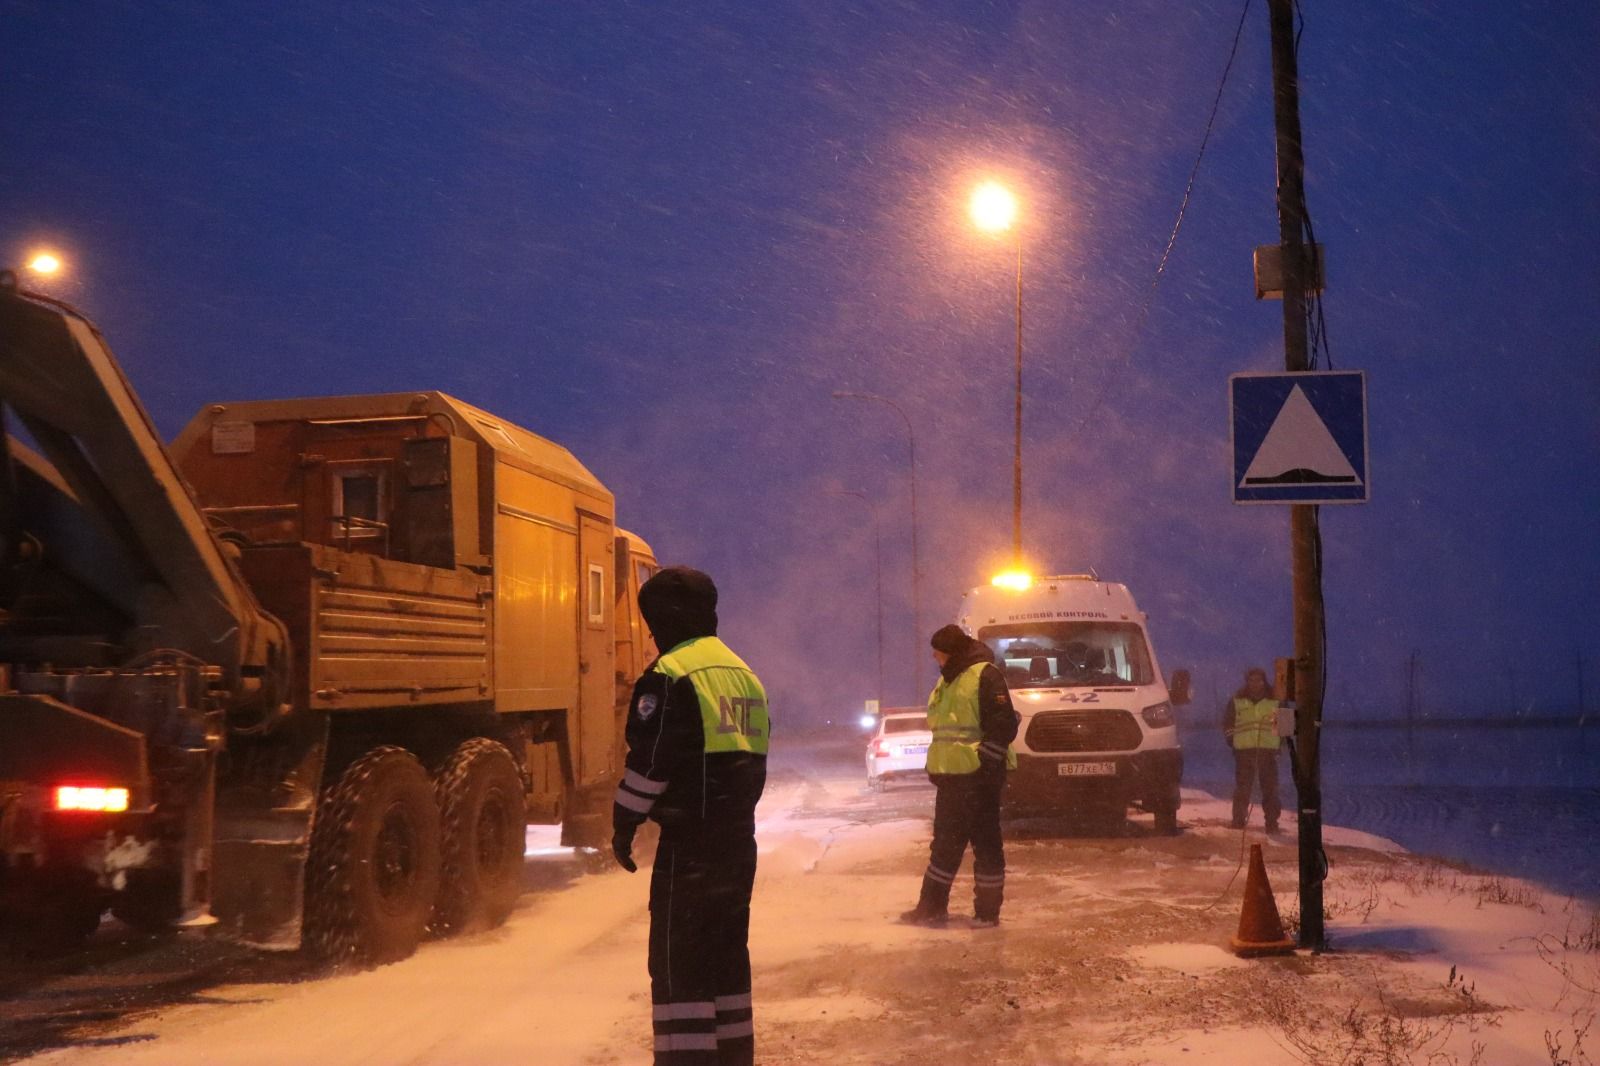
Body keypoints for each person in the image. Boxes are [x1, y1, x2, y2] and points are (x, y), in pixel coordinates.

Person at [611, 567, 770, 1066]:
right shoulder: (743, 674)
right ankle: (732, 1055)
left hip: (691, 848)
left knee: (680, 964)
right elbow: (754, 764)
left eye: (653, 621)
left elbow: (652, 759)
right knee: (726, 958)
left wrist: (625, 820)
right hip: (737, 845)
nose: (653, 633)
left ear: (666, 617)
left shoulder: (671, 674)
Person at [900, 624, 1020, 929]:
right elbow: (945, 732)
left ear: (952, 652)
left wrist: (986, 766)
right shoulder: (949, 680)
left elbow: (1003, 725)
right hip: (953, 778)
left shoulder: (984, 675)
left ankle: (984, 912)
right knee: (947, 844)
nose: (934, 657)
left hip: (977, 778)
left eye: (938, 653)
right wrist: (937, 769)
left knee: (983, 844)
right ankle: (933, 907)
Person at [1222, 667, 1283, 832]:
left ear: (1264, 681)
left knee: (1270, 790)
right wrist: (1232, 741)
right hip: (1244, 752)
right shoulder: (1237, 700)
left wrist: (1280, 746)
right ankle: (1238, 821)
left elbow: (1286, 728)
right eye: (1252, 680)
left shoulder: (1276, 700)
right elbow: (1228, 722)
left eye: (1258, 680)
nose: (1255, 684)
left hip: (1268, 753)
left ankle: (1272, 823)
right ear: (1247, 682)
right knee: (1242, 789)